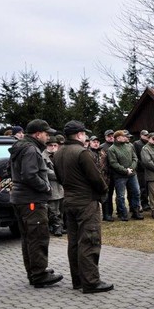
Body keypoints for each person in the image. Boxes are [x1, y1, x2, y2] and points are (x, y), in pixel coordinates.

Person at [53, 121, 113, 293]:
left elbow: (59, 177)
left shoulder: (58, 153)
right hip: (86, 201)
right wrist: (104, 190)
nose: (86, 136)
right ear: (79, 135)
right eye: (84, 134)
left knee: (74, 242)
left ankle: (78, 280)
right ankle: (91, 281)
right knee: (89, 240)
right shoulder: (81, 152)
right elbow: (96, 178)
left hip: (69, 200)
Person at [8, 119, 63, 288]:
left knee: (29, 237)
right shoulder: (31, 149)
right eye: (46, 134)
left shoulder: (21, 147)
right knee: (38, 236)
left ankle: (35, 271)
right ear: (38, 134)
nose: (48, 137)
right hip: (31, 199)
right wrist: (46, 187)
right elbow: (29, 175)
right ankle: (39, 274)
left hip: (22, 198)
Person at [107, 130, 143, 221]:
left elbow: (135, 158)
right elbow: (113, 163)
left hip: (132, 174)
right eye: (124, 136)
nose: (126, 137)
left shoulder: (130, 146)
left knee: (136, 192)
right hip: (120, 176)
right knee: (121, 196)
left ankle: (136, 212)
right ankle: (123, 214)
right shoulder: (112, 149)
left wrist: (131, 168)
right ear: (118, 138)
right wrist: (125, 171)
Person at [43, 136, 65, 237]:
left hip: (61, 187)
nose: (53, 147)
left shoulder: (60, 155)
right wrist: (61, 174)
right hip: (51, 186)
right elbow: (46, 171)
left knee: (61, 209)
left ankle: (60, 226)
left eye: (55, 145)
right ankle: (55, 227)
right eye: (50, 145)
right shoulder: (43, 156)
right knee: (53, 209)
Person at [141, 133, 154, 219]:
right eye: (153, 138)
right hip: (152, 176)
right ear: (148, 138)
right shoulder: (145, 149)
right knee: (153, 195)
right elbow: (147, 162)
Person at [100, 129, 116, 222]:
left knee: (115, 194)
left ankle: (112, 212)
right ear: (105, 137)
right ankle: (107, 214)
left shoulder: (116, 145)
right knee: (107, 195)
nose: (111, 137)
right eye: (109, 136)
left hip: (115, 173)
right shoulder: (102, 147)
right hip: (106, 175)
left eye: (112, 135)